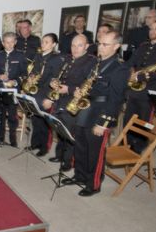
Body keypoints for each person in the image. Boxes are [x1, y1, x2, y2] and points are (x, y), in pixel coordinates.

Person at [63, 30, 128, 196]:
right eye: (100, 43)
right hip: (86, 108)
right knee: (80, 146)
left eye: (105, 44)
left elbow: (116, 99)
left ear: (117, 46)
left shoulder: (119, 68)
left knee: (95, 152)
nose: (101, 47)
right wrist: (79, 93)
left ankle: (94, 184)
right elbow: (89, 84)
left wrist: (103, 123)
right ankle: (80, 176)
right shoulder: (96, 62)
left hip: (101, 113)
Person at [43, 34, 96, 171]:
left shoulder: (91, 61)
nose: (75, 48)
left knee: (70, 132)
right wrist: (54, 82)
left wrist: (69, 89)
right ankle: (59, 155)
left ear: (86, 46)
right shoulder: (67, 58)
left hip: (74, 101)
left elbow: (89, 85)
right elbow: (58, 75)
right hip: (60, 99)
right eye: (73, 45)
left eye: (79, 45)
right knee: (60, 129)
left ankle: (68, 162)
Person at [124, 19, 156, 153]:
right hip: (134, 89)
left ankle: (138, 148)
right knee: (128, 118)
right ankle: (125, 143)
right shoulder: (143, 46)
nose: (152, 31)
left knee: (144, 121)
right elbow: (130, 63)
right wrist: (130, 73)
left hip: (149, 92)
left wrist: (139, 76)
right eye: (151, 28)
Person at [28, 33, 64, 156]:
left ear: (54, 44)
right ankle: (35, 143)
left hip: (46, 93)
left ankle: (44, 147)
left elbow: (57, 80)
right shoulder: (38, 55)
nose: (43, 44)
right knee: (35, 119)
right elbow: (33, 71)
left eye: (47, 42)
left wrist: (50, 99)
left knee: (45, 122)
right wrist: (31, 78)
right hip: (35, 92)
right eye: (43, 41)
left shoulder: (57, 58)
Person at [0, 32, 27, 146]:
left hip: (13, 90)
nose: (9, 44)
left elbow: (24, 74)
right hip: (0, 89)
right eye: (7, 42)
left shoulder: (20, 56)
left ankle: (13, 139)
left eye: (12, 42)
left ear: (15, 42)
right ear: (3, 43)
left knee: (12, 115)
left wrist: (15, 81)